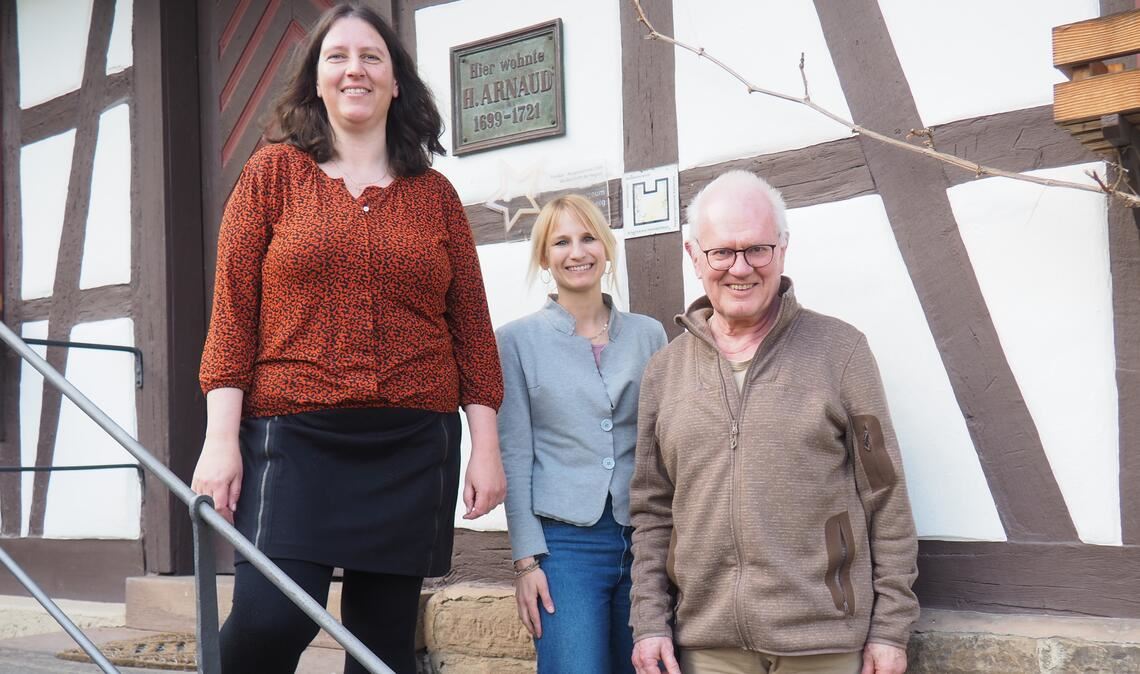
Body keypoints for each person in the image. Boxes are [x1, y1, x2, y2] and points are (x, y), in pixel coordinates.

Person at [191, 4, 505, 673]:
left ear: (397, 83)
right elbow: (232, 317)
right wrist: (222, 441)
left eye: (371, 57)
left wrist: (486, 450)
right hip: (292, 438)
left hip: (413, 442)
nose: (353, 70)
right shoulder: (271, 176)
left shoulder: (436, 197)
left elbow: (472, 334)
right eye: (337, 57)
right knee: (269, 620)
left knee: (382, 645)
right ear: (315, 81)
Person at [629, 171, 919, 674]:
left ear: (783, 249)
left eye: (757, 249)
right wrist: (650, 622)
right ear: (694, 256)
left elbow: (885, 497)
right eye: (722, 252)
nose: (740, 268)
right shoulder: (664, 372)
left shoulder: (841, 352)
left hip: (823, 644)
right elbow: (653, 513)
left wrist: (891, 628)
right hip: (708, 647)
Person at [497, 195, 668, 674]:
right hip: (564, 547)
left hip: (645, 541)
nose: (578, 252)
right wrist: (525, 563)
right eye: (562, 242)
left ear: (607, 248)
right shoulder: (514, 341)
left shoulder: (648, 335)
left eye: (589, 237)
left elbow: (663, 441)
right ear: (544, 257)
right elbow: (514, 453)